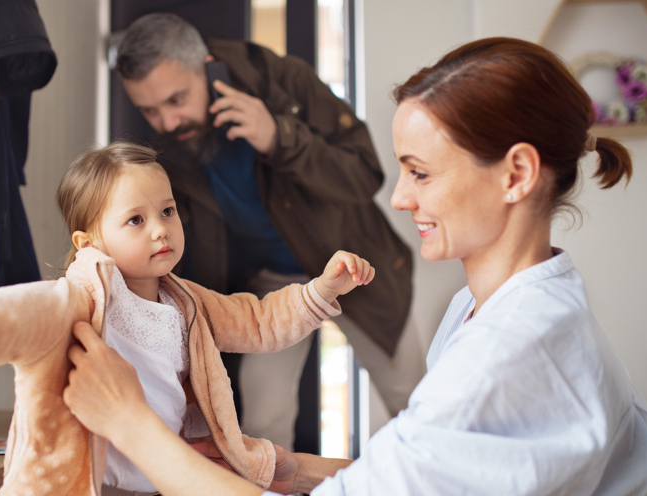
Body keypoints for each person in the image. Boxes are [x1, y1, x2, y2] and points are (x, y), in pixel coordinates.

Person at [63, 38, 647, 495]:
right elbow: (408, 462)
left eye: (419, 172)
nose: (399, 197)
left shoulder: (505, 356)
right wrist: (281, 466)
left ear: (517, 174)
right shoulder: (499, 306)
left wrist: (131, 425)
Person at [0, 141, 375, 495]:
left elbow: (258, 321)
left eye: (167, 211)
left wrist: (321, 289)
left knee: (278, 468)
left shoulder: (186, 301)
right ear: (90, 241)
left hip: (167, 475)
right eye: (135, 219)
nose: (161, 229)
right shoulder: (74, 301)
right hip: (90, 482)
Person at [114, 12, 422, 449]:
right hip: (268, 286)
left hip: (355, 266)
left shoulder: (283, 80)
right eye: (150, 109)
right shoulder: (163, 142)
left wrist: (281, 136)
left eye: (177, 99)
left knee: (413, 402)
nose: (166, 122)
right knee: (261, 424)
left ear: (208, 64)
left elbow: (364, 172)